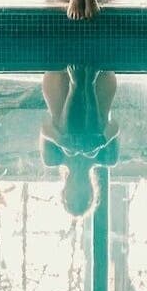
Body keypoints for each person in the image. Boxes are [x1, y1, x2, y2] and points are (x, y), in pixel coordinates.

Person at [41, 66, 120, 217]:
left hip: (58, 81)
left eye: (73, 195)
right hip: (101, 82)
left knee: (69, 148)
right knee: (91, 149)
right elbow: (115, 125)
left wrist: (61, 141)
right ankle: (87, 85)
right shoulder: (107, 159)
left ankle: (76, 85)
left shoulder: (53, 158)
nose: (77, 189)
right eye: (81, 195)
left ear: (65, 191)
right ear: (90, 190)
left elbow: (44, 125)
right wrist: (102, 141)